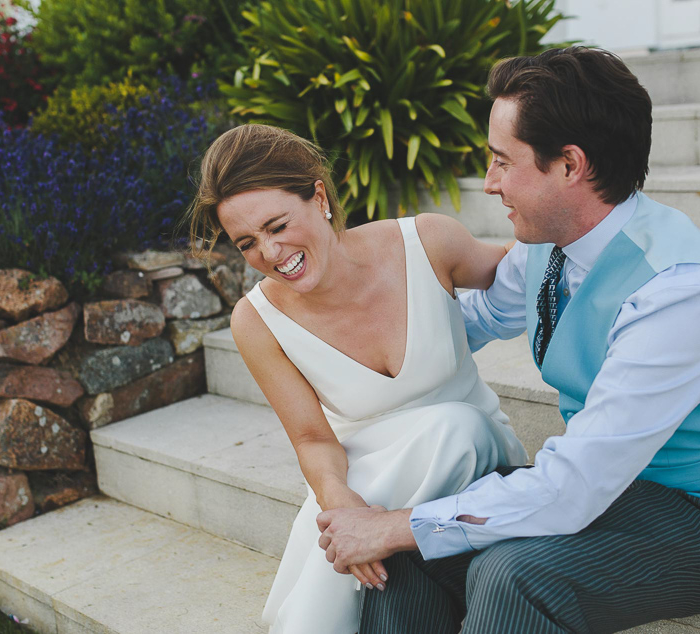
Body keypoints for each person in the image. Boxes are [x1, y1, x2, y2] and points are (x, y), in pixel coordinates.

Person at [317, 46, 700, 633]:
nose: (489, 184)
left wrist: (394, 524)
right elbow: (468, 322)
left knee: (508, 572)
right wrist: (337, 335)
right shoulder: (547, 243)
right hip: (607, 489)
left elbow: (574, 486)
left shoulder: (686, 294)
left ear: (570, 165)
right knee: (419, 545)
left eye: (502, 161)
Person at [183, 123, 527, 633]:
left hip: (477, 453)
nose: (271, 254)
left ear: (318, 195)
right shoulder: (255, 321)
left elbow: (526, 277)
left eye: (277, 226)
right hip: (375, 480)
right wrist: (338, 501)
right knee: (357, 513)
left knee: (455, 425)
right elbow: (312, 438)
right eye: (248, 243)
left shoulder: (427, 242)